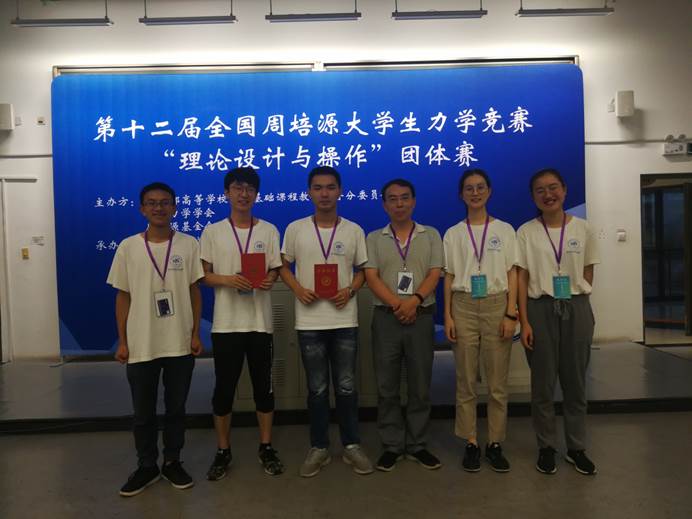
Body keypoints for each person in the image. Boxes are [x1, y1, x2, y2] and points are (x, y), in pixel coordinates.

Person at [107, 182, 204, 497]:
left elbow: (194, 291)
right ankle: (146, 466)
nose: (158, 208)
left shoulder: (189, 244)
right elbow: (123, 296)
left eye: (164, 202)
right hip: (141, 343)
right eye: (152, 203)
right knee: (143, 412)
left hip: (179, 342)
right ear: (142, 209)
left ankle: (172, 462)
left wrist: (195, 334)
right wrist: (123, 341)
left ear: (174, 208)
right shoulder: (128, 247)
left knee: (176, 409)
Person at [280, 166, 373, 477]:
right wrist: (298, 289)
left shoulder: (353, 230)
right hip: (309, 322)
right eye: (318, 187)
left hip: (344, 320)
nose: (324, 193)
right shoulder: (295, 229)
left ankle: (351, 445)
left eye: (330, 187)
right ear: (309, 192)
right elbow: (282, 266)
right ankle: (319, 447)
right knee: (317, 389)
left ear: (340, 191)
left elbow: (363, 271)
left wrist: (351, 290)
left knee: (346, 387)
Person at [200, 167, 284, 481]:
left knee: (264, 389)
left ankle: (266, 446)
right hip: (226, 326)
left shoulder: (269, 230)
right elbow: (203, 274)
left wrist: (270, 278)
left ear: (256, 194)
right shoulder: (213, 231)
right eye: (237, 188)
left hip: (260, 324)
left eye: (249, 188)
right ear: (227, 193)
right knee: (224, 390)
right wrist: (228, 279)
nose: (243, 194)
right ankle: (223, 450)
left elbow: (275, 268)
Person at [517, 168, 600, 476]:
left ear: (564, 190)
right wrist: (524, 321)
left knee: (575, 382)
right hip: (539, 309)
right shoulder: (526, 232)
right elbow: (522, 277)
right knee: (542, 384)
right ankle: (547, 447)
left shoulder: (583, 229)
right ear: (533, 197)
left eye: (553, 187)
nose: (548, 194)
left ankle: (576, 448)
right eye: (540, 190)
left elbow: (588, 269)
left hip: (576, 307)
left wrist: (579, 294)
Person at [364, 178, 444, 472]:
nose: (399, 203)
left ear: (414, 201)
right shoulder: (374, 238)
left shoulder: (430, 234)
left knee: (420, 385)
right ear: (384, 204)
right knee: (387, 386)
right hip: (387, 318)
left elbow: (435, 273)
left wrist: (414, 301)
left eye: (405, 197)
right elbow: (371, 277)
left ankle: (418, 444)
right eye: (393, 199)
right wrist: (399, 305)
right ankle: (392, 445)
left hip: (421, 316)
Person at [443, 169, 518, 473]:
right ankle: (471, 441)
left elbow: (513, 272)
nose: (475, 193)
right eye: (469, 188)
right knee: (466, 380)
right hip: (462, 306)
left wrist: (511, 313)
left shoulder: (505, 230)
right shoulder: (453, 233)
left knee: (497, 382)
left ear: (489, 191)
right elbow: (448, 276)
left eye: (480, 187)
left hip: (496, 303)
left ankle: (495, 443)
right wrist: (448, 315)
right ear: (461, 195)